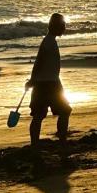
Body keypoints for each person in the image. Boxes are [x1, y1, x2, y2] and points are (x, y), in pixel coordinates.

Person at [25, 13, 71, 150]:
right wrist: (33, 79)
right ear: (56, 27)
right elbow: (39, 62)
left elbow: (39, 62)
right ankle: (62, 141)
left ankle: (35, 144)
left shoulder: (49, 41)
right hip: (50, 84)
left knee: (39, 115)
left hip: (46, 83)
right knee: (64, 111)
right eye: (63, 26)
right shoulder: (49, 42)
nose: (64, 28)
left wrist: (33, 80)